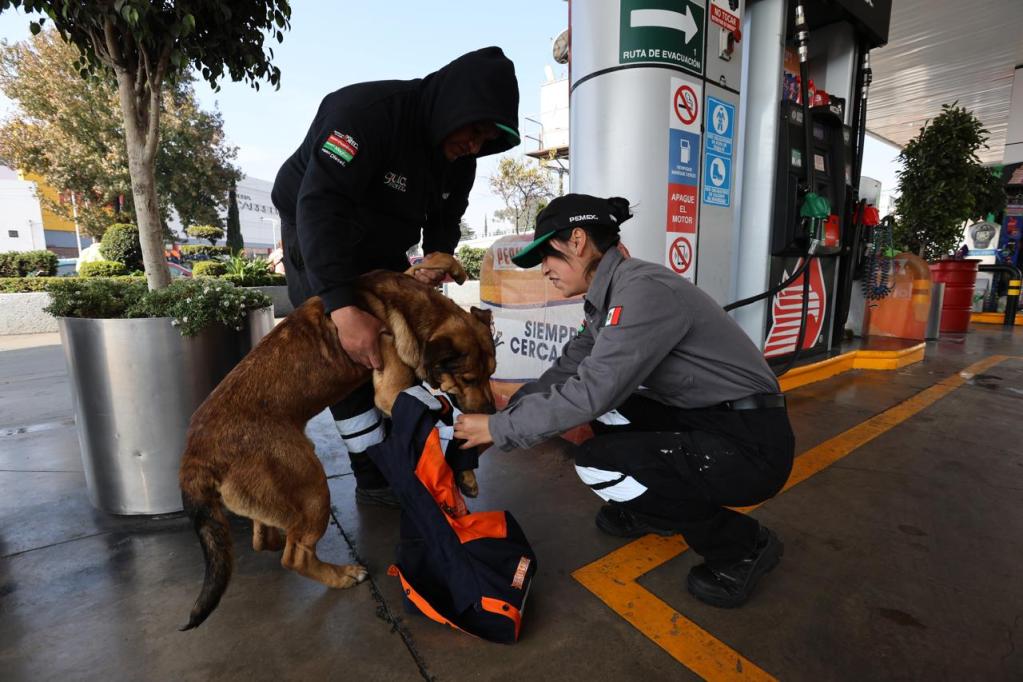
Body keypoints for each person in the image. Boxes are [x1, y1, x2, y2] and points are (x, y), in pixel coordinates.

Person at [454, 193, 795, 608]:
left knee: (598, 461)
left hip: (750, 445)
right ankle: (650, 509)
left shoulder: (641, 291)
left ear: (577, 241)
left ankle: (742, 546)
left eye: (548, 255)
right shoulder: (608, 300)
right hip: (710, 420)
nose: (545, 270)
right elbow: (567, 371)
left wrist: (499, 430)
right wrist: (507, 416)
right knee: (614, 412)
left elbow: (592, 391)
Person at [271, 46, 520, 507]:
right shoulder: (365, 114)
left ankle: (397, 437)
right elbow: (320, 204)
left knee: (390, 348)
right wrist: (343, 309)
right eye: (474, 130)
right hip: (319, 231)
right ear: (453, 105)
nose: (475, 145)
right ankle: (372, 469)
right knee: (347, 350)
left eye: (488, 139)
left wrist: (435, 258)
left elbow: (449, 212)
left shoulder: (460, 156)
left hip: (383, 240)